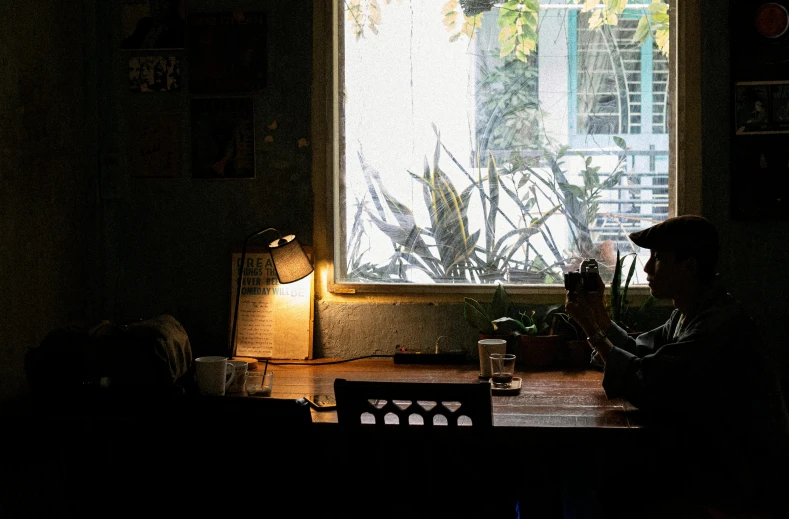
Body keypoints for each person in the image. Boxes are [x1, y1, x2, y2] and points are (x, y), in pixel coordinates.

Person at [564, 215, 789, 518]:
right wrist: (599, 315)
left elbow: (645, 381)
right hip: (708, 460)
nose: (646, 268)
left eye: (657, 259)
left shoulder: (717, 326)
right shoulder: (692, 312)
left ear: (689, 266)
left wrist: (592, 330)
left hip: (734, 484)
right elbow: (639, 350)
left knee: (607, 487)